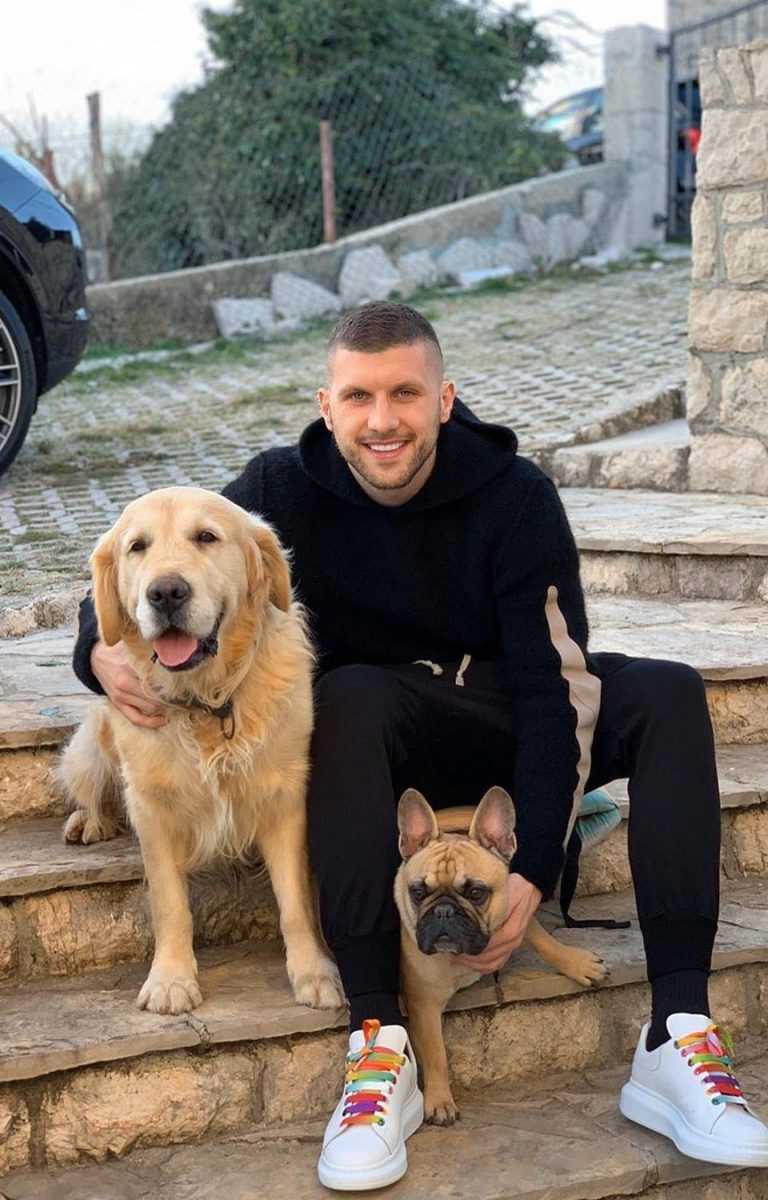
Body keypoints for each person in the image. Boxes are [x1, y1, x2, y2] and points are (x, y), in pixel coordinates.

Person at [71, 302, 768, 1190]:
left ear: (444, 399)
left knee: (669, 691)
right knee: (346, 693)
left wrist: (532, 864)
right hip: (381, 741)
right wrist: (95, 654)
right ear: (327, 406)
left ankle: (677, 1033)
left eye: (405, 394)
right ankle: (379, 1038)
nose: (382, 420)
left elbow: (554, 688)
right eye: (359, 397)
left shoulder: (517, 497)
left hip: (504, 714)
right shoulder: (279, 488)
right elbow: (156, 556)